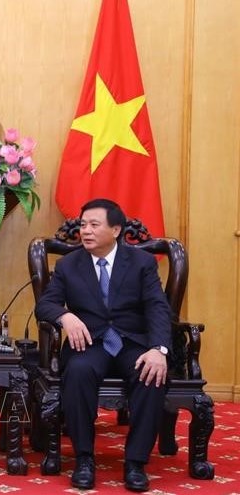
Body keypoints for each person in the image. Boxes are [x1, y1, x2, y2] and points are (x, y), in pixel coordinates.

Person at [34, 198, 171, 493]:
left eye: (94, 225)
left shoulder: (142, 262)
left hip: (132, 342)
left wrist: (159, 349)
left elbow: (158, 308)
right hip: (90, 343)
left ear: (116, 230)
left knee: (151, 374)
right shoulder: (69, 264)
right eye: (83, 224)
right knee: (78, 371)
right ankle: (84, 459)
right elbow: (45, 304)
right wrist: (66, 316)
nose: (86, 231)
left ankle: (135, 462)